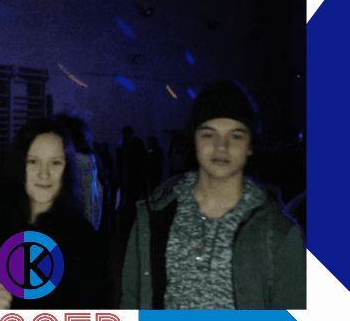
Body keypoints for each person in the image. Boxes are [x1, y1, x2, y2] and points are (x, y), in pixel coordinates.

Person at [121, 82, 306, 309]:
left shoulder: (279, 235)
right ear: (194, 140)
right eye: (209, 134)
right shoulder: (153, 219)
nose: (221, 147)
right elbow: (131, 302)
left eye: (235, 135)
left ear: (250, 146)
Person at [0, 118, 106, 309]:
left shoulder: (82, 237)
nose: (44, 173)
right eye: (34, 161)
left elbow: (97, 307)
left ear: (66, 169)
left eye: (55, 163)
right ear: (21, 164)